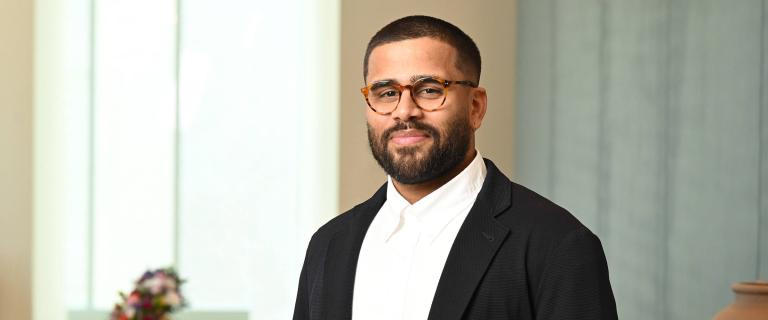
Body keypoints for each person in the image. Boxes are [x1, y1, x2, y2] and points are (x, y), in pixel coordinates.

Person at [293, 15, 617, 320]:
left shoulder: (558, 245)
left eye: (430, 90)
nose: (404, 111)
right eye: (387, 93)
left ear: (476, 107)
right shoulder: (328, 245)